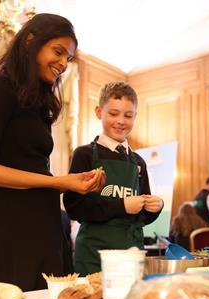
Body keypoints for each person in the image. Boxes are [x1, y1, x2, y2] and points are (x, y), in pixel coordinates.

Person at [0, 14, 105, 291]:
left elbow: (34, 168)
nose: (64, 64)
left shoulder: (36, 103)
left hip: (48, 218)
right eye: (58, 52)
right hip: (18, 222)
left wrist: (70, 184)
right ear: (31, 41)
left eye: (69, 58)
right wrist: (58, 182)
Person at [63, 81, 164, 276]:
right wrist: (122, 206)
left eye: (128, 115)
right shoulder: (84, 155)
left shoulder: (139, 162)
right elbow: (74, 207)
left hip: (131, 254)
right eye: (113, 113)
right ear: (99, 112)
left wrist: (154, 209)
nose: (121, 121)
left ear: (135, 116)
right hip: (94, 255)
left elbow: (142, 217)